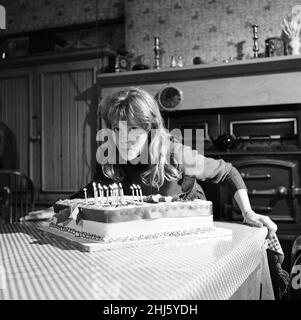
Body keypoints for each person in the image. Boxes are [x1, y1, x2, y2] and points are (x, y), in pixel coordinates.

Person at [69, 86, 277, 239]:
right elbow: (94, 191)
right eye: (117, 129)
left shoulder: (174, 152)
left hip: (185, 222)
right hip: (143, 226)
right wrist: (56, 211)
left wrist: (248, 213)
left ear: (150, 128)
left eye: (133, 128)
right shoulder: (110, 155)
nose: (124, 139)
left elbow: (228, 173)